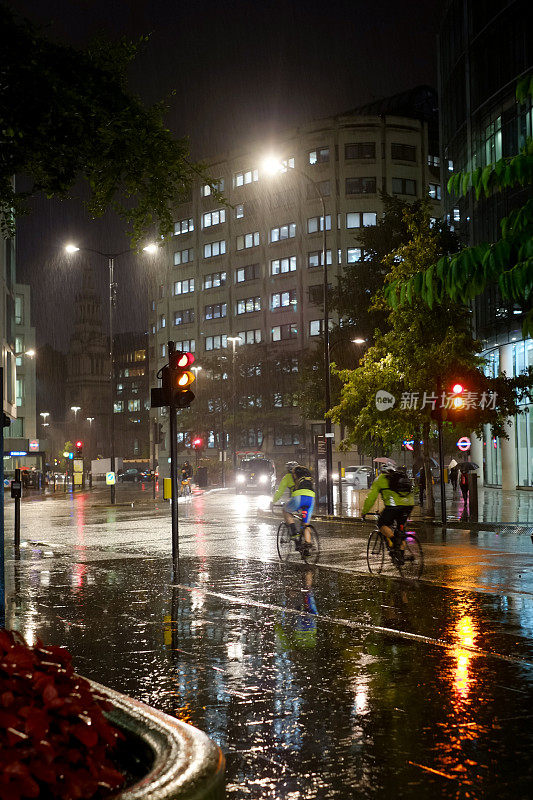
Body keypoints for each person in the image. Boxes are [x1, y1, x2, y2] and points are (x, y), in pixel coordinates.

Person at [362, 462, 414, 561]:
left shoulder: (380, 479)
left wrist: (364, 511)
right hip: (408, 505)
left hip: (393, 506)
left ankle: (394, 542)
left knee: (382, 523)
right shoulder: (399, 476)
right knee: (400, 530)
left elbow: (371, 498)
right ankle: (400, 556)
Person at [273, 461, 315, 555]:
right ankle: (307, 545)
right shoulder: (305, 476)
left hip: (298, 497)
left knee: (286, 510)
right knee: (306, 523)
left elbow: (280, 491)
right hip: (311, 498)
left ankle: (294, 531)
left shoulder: (288, 477)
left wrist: (273, 501)